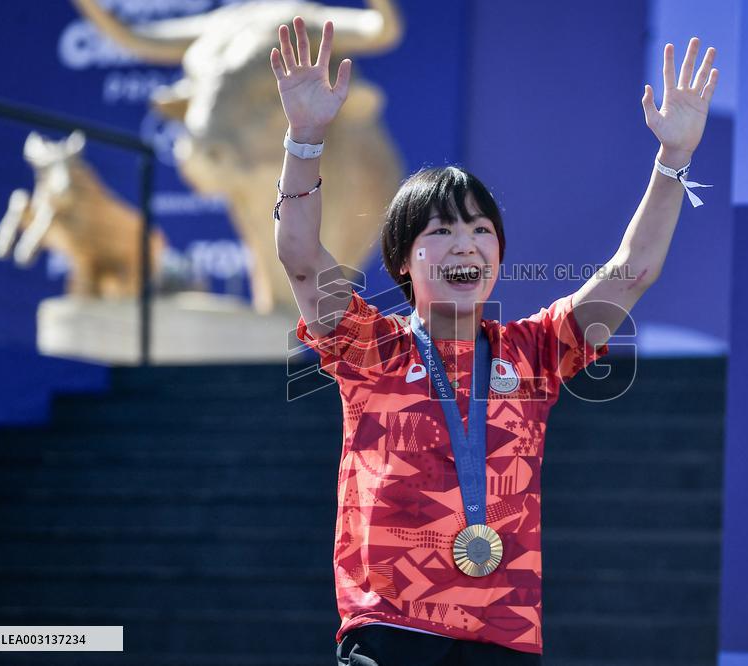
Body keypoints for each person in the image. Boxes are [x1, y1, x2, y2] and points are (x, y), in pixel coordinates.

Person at [269, 15, 718, 666]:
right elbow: (302, 258)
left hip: (502, 640)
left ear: (499, 254)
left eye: (480, 231)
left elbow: (633, 272)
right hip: (390, 633)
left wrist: (674, 159)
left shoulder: (534, 352)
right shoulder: (369, 347)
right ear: (402, 260)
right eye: (441, 231)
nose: (464, 244)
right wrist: (305, 140)